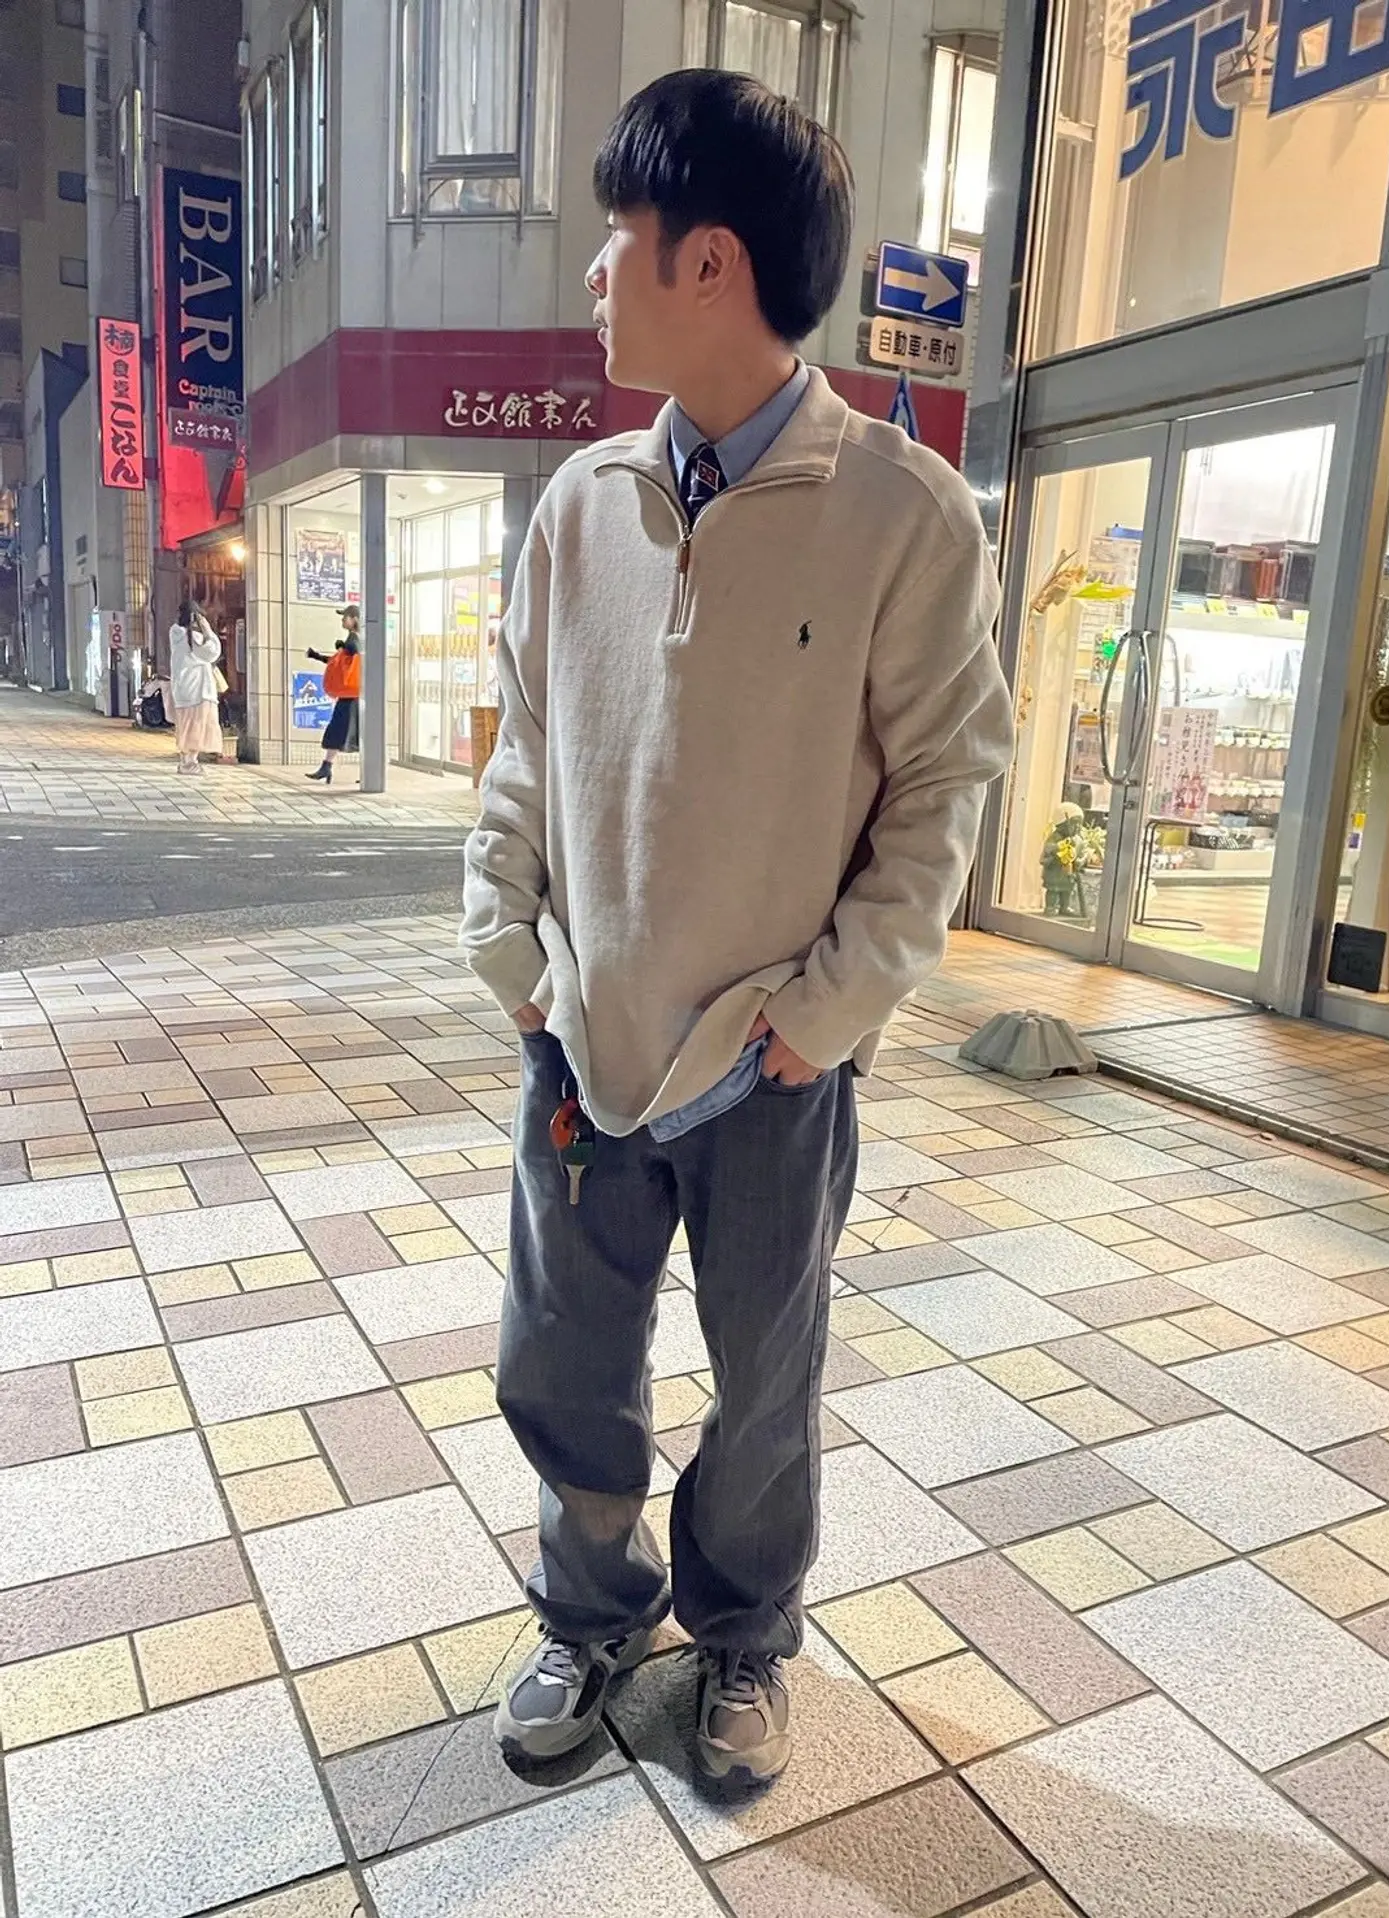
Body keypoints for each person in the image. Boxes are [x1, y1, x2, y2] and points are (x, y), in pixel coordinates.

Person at [459, 70, 1013, 1784]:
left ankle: (745, 1635)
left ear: (709, 260)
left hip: (772, 1054)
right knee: (563, 1353)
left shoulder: (903, 514)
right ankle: (590, 1610)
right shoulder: (581, 505)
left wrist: (829, 1010)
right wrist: (512, 949)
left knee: (765, 1376)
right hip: (586, 1032)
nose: (593, 275)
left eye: (616, 236)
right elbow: (523, 744)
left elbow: (945, 785)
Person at [304, 604, 361, 784]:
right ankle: (326, 767)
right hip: (350, 695)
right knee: (343, 731)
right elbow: (339, 662)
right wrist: (318, 656)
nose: (342, 620)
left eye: (345, 617)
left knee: (350, 732)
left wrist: (345, 648)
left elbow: (355, 655)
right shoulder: (354, 638)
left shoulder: (356, 638)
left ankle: (329, 767)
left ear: (355, 619)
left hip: (352, 695)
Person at [168, 600, 223, 775]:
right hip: (198, 690)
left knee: (186, 726)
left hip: (182, 689)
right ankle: (190, 763)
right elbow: (213, 651)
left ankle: (186, 761)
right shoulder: (194, 638)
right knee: (197, 727)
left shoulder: (175, 634)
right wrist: (208, 630)